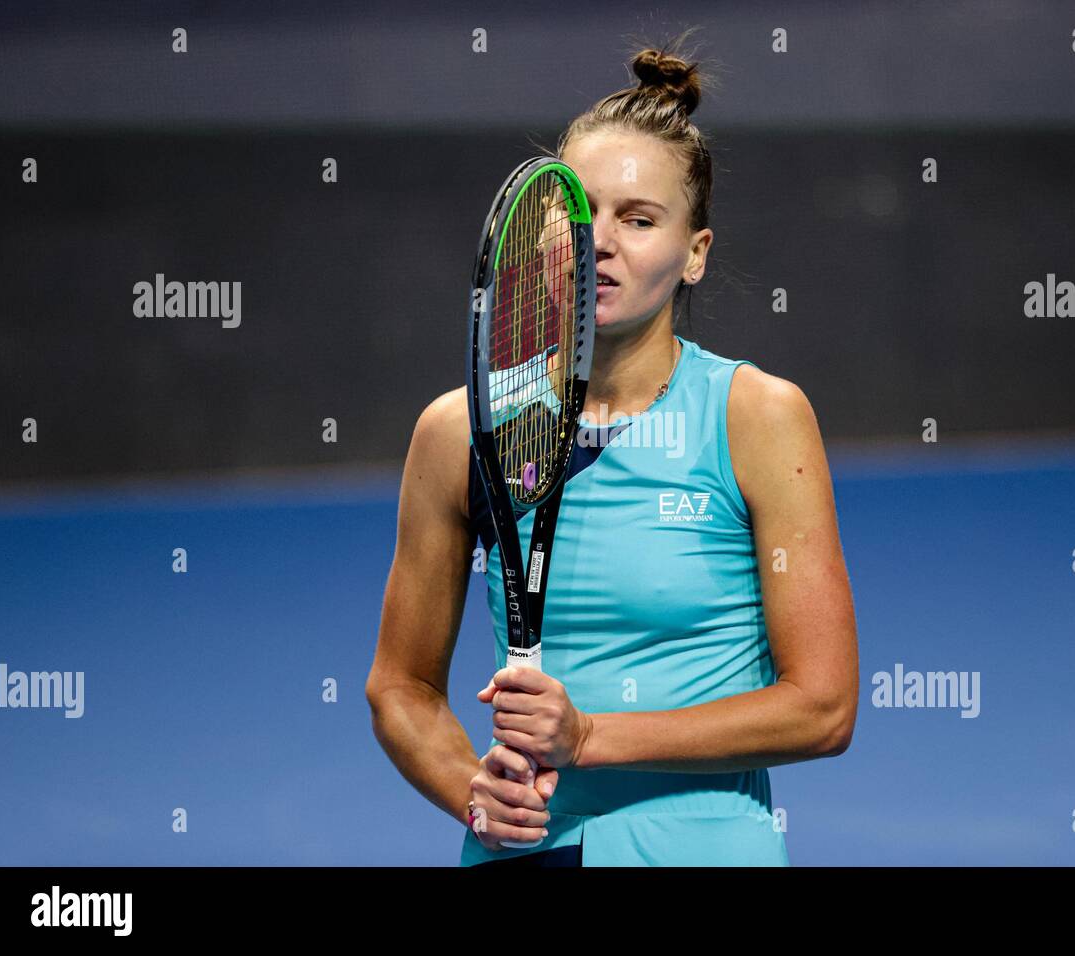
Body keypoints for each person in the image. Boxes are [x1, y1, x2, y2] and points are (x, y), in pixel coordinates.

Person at [366, 31, 858, 867]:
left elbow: (822, 708)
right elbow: (400, 686)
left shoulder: (760, 419)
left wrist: (590, 734)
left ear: (695, 254)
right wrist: (476, 795)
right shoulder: (462, 431)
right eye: (579, 213)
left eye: (638, 219)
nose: (600, 240)